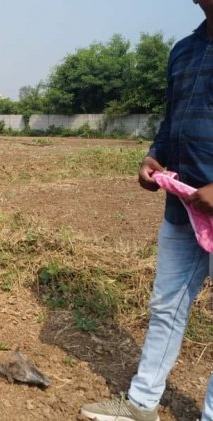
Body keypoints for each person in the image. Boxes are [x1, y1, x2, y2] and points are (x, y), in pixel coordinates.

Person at [81, 1, 213, 420]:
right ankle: (141, 405)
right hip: (183, 205)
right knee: (166, 304)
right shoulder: (184, 50)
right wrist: (154, 156)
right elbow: (172, 117)